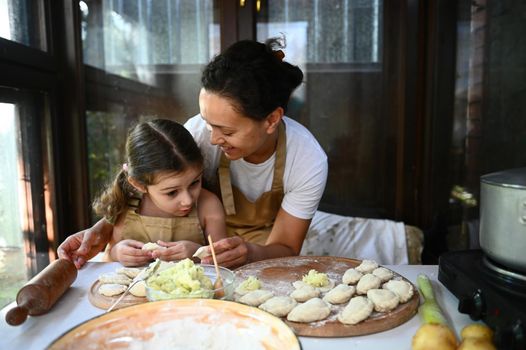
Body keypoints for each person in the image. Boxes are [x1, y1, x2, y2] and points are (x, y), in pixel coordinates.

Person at [58, 37, 328, 269]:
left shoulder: (306, 160)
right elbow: (151, 179)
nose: (211, 138)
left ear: (271, 120)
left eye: (226, 131)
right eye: (208, 123)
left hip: (265, 255)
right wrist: (101, 231)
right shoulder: (198, 133)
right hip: (201, 250)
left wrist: (248, 252)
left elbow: (286, 248)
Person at [89, 119, 226, 267]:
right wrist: (117, 253)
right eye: (172, 192)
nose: (187, 200)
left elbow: (223, 264)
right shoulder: (124, 205)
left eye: (194, 183)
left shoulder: (209, 206)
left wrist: (198, 253)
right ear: (139, 184)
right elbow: (107, 261)